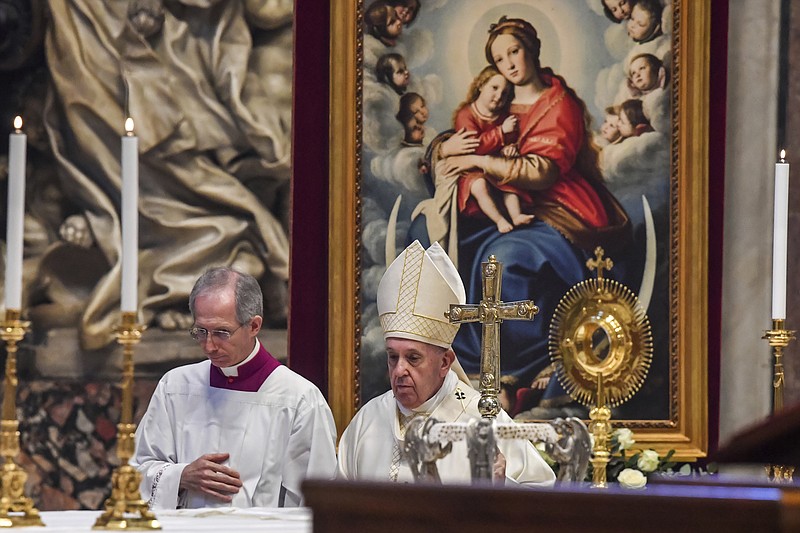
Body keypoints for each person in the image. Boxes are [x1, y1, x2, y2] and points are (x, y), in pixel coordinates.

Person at [415, 16, 630, 394]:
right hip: (498, 202)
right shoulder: (500, 95)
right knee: (433, 239)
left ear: (531, 49)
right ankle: (461, 359)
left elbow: (542, 171)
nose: (510, 64)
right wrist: (444, 149)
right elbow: (468, 134)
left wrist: (479, 162)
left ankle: (522, 363)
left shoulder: (559, 105)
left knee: (504, 259)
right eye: (499, 59)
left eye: (514, 51)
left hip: (557, 207)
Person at [337, 240, 556, 486]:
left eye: (413, 358)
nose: (399, 370)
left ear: (445, 362)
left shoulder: (484, 420)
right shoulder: (367, 421)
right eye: (392, 357)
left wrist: (501, 487)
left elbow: (541, 499)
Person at [132, 267, 338, 509]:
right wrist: (181, 476)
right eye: (200, 331)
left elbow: (318, 499)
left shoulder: (299, 399)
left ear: (254, 326)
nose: (209, 346)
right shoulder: (175, 387)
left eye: (221, 333)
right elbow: (136, 473)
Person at [453, 66, 534, 234]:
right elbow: (474, 146)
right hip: (470, 168)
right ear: (481, 85)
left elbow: (511, 141)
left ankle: (516, 215)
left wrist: (510, 149)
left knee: (509, 179)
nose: (498, 96)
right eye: (494, 88)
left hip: (494, 165)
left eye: (504, 93)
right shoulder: (466, 114)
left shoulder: (502, 117)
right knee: (479, 186)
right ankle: (499, 220)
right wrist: (500, 131)